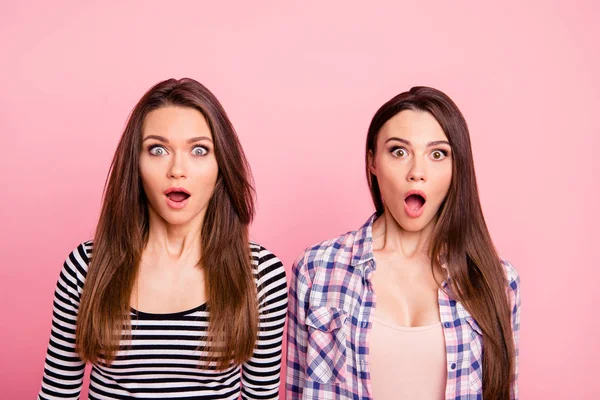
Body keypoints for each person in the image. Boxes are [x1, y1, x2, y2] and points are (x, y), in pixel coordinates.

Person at [38, 78, 288, 400]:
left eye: (199, 150)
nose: (177, 169)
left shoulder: (261, 273)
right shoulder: (85, 267)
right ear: (136, 165)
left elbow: (260, 396)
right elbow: (57, 393)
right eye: (158, 149)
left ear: (221, 166)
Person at [286, 86, 520, 399]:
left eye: (438, 154)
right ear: (372, 162)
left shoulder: (498, 281)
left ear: (456, 168)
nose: (417, 173)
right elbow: (295, 389)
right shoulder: (317, 269)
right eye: (399, 151)